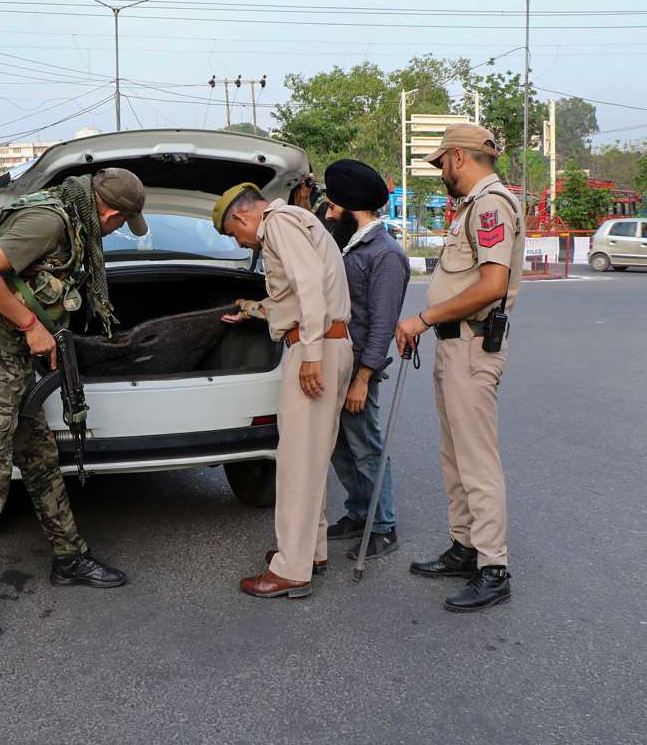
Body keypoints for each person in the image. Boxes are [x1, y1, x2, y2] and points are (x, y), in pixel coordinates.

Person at [0, 167, 146, 641]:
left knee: (40, 457)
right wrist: (30, 325)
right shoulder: (51, 223)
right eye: (122, 223)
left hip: (10, 354)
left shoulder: (72, 223)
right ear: (109, 212)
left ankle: (69, 557)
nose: (119, 231)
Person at [395, 123, 524, 612]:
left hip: (472, 346)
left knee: (477, 460)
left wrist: (423, 318)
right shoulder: (474, 206)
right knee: (455, 456)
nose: (440, 172)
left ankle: (493, 568)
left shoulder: (491, 204)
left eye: (441, 162)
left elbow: (492, 285)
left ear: (458, 158)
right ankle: (465, 547)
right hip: (456, 345)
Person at [215, 182, 352, 599]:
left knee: (294, 461)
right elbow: (295, 296)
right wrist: (253, 310)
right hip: (328, 342)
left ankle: (291, 569)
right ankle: (309, 549)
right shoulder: (296, 221)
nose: (240, 242)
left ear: (241, 217)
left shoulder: (277, 224)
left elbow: (308, 284)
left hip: (316, 346)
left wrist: (309, 354)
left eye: (232, 234)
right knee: (310, 456)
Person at [320, 159, 409, 561]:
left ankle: (383, 524)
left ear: (349, 205)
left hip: (360, 369)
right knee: (341, 445)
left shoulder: (385, 254)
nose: (328, 211)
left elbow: (382, 325)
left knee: (366, 446)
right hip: (338, 364)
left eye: (332, 205)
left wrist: (363, 379)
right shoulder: (350, 245)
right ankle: (359, 514)